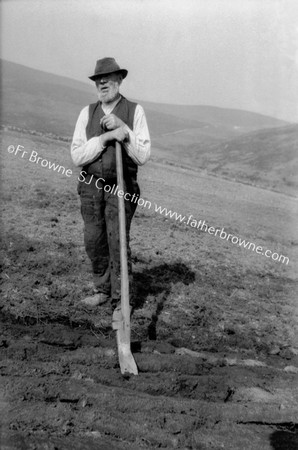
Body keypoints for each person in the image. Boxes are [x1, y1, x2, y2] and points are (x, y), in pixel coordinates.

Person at [70, 57, 151, 308]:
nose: (102, 82)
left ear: (119, 79)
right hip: (91, 186)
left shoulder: (135, 111)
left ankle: (121, 299)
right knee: (94, 240)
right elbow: (76, 156)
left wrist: (123, 129)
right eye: (98, 79)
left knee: (118, 241)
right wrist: (105, 138)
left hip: (121, 186)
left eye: (107, 78)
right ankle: (103, 290)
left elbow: (143, 155)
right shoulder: (87, 113)